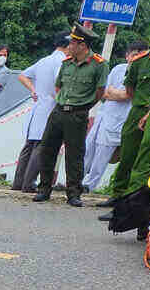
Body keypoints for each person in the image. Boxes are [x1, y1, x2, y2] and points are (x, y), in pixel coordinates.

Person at [31, 24, 107, 207]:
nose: (69, 46)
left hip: (78, 114)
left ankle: (73, 193)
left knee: (75, 155)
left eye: (72, 43)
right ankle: (44, 189)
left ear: (82, 45)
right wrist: (62, 101)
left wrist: (83, 106)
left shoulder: (99, 65)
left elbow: (100, 91)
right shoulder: (66, 63)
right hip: (58, 112)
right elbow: (58, 87)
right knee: (47, 150)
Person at [102, 20, 150, 205]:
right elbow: (130, 90)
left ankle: (142, 201)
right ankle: (118, 196)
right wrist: (144, 106)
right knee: (128, 155)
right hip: (138, 112)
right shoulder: (140, 60)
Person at [13, 35, 69, 192]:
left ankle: (18, 183)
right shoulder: (61, 62)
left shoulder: (44, 60)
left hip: (38, 106)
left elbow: (22, 75)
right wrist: (60, 98)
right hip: (50, 107)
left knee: (29, 146)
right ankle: (28, 183)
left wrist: (33, 90)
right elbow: (59, 83)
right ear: (68, 46)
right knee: (42, 146)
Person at [84, 44, 144, 192]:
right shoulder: (118, 69)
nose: (136, 58)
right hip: (104, 116)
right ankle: (74, 182)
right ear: (127, 55)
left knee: (103, 156)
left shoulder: (142, 73)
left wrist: (115, 93)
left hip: (121, 121)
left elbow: (127, 95)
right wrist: (117, 94)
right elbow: (104, 92)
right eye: (134, 55)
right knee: (88, 149)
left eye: (140, 55)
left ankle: (88, 186)